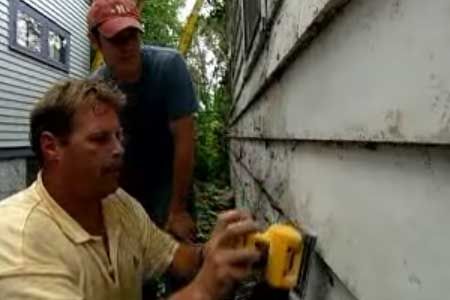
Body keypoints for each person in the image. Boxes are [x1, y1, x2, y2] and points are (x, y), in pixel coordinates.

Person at [0, 80, 260, 300]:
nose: (118, 150)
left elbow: (175, 258)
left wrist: (214, 251)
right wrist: (203, 289)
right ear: (51, 147)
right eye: (100, 139)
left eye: (118, 136)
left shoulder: (117, 203)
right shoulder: (16, 240)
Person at [88, 0, 198, 242]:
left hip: (171, 176)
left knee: (181, 255)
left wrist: (178, 210)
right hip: (125, 180)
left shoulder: (169, 67)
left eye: (132, 36)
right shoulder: (95, 88)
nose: (128, 46)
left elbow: (185, 139)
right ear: (96, 41)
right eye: (117, 39)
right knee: (129, 262)